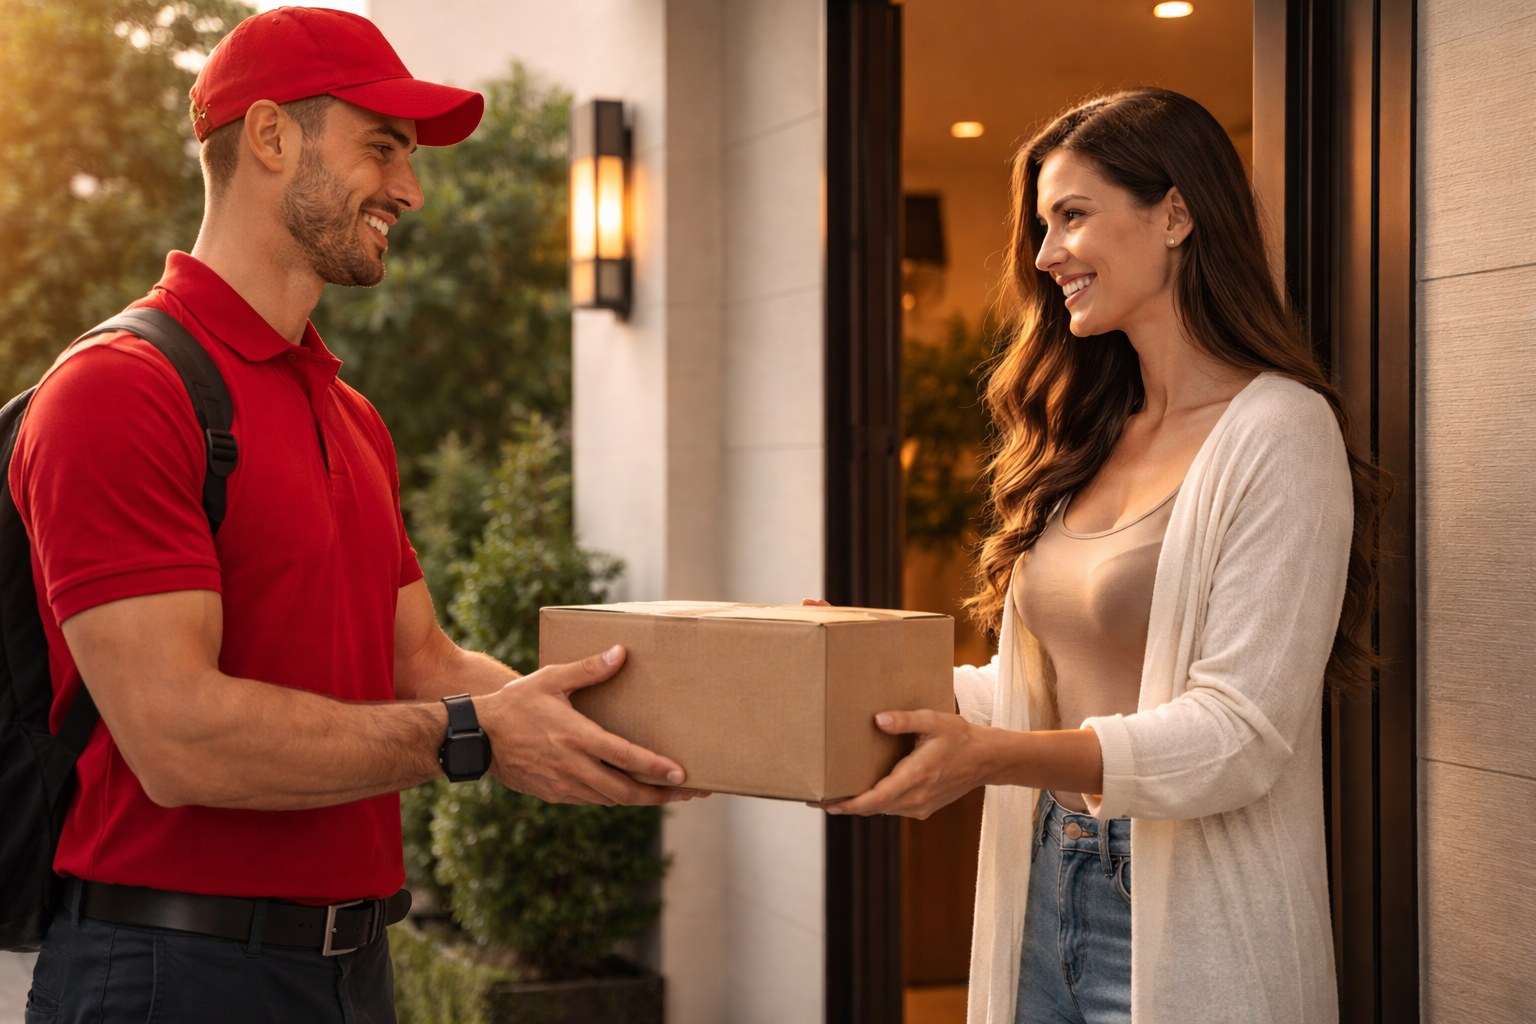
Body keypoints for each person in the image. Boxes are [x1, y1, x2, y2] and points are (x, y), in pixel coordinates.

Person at [11, 8, 696, 1022]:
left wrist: (661, 730)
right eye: (383, 148)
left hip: (352, 969)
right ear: (274, 136)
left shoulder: (349, 414)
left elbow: (420, 661)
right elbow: (177, 737)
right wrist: (472, 737)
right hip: (167, 972)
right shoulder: (121, 391)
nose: (411, 192)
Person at [826, 88, 1383, 1023]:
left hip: (1186, 913)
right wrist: (850, 666)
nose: (1045, 257)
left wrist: (993, 756)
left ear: (1176, 212)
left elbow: (1237, 736)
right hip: (1049, 875)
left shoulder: (1282, 432)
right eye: (1043, 227)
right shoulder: (1086, 433)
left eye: (1071, 217)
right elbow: (1032, 691)